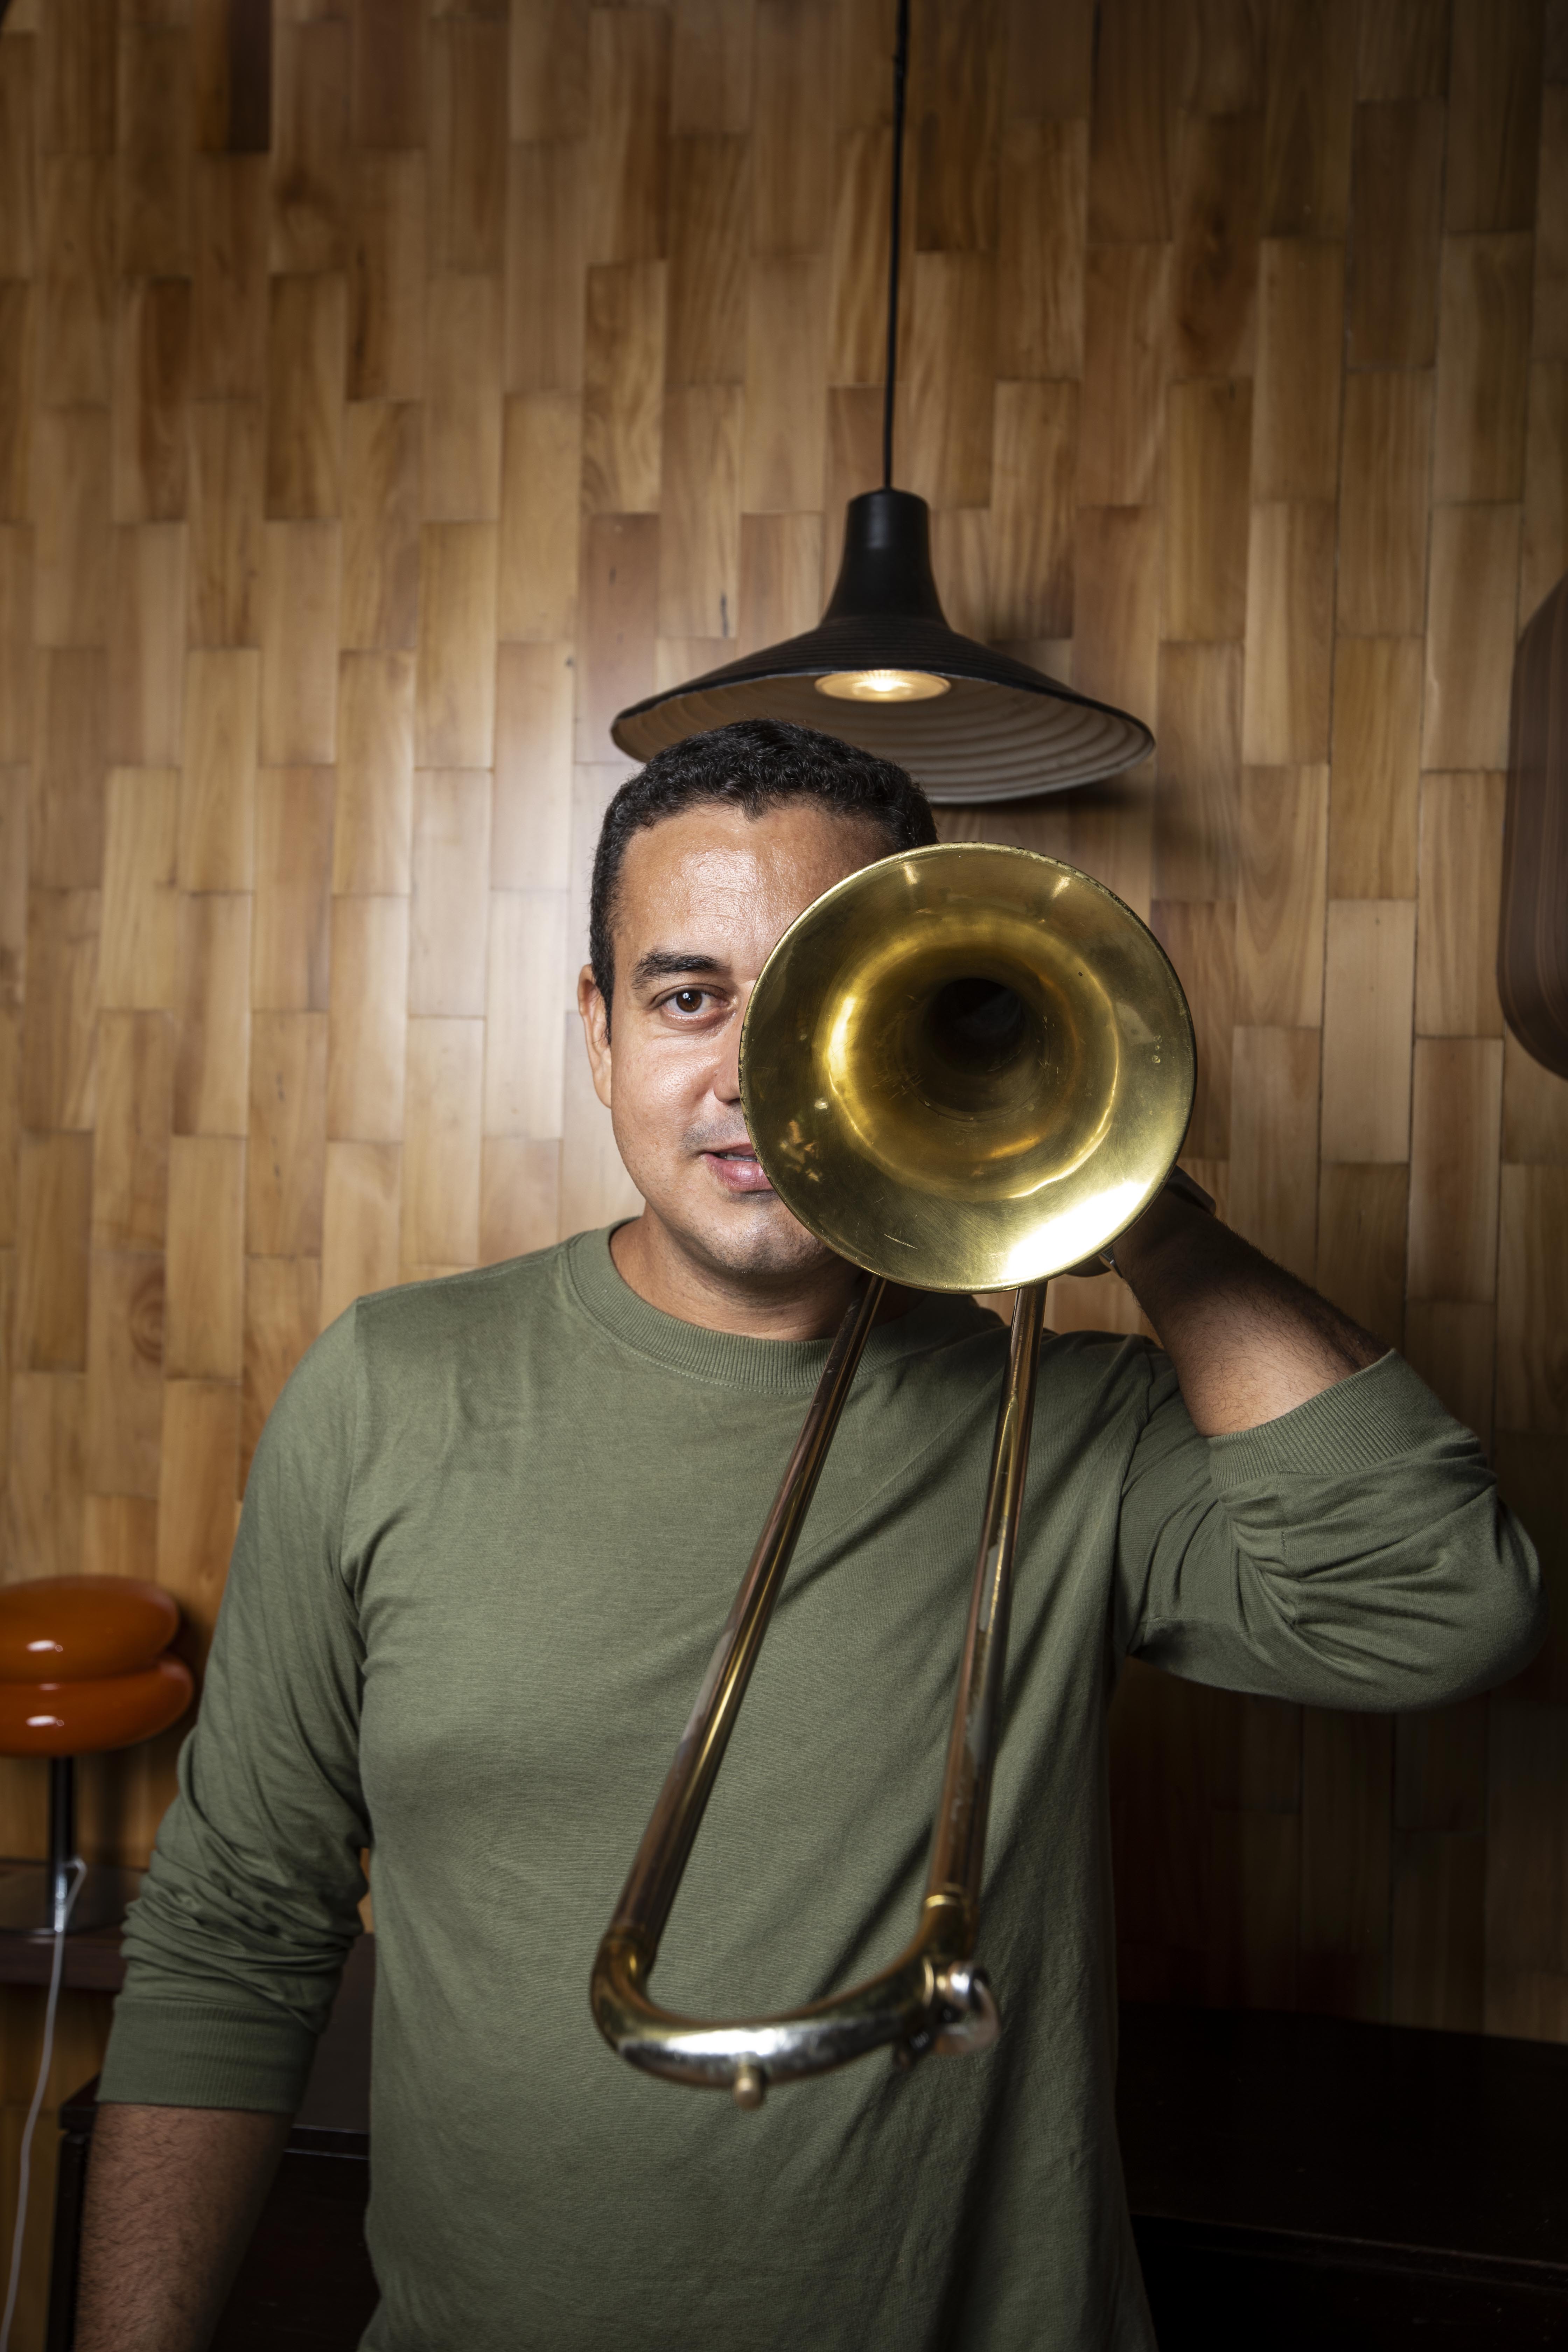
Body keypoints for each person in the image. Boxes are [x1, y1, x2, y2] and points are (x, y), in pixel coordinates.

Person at [79, 719, 1542, 2352]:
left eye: (816, 1004)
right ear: (597, 1029)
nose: (750, 1077)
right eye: (688, 998)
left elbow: (1438, 1609)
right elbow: (236, 1929)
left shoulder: (1075, 1425)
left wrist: (1122, 1187)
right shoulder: (388, 1387)